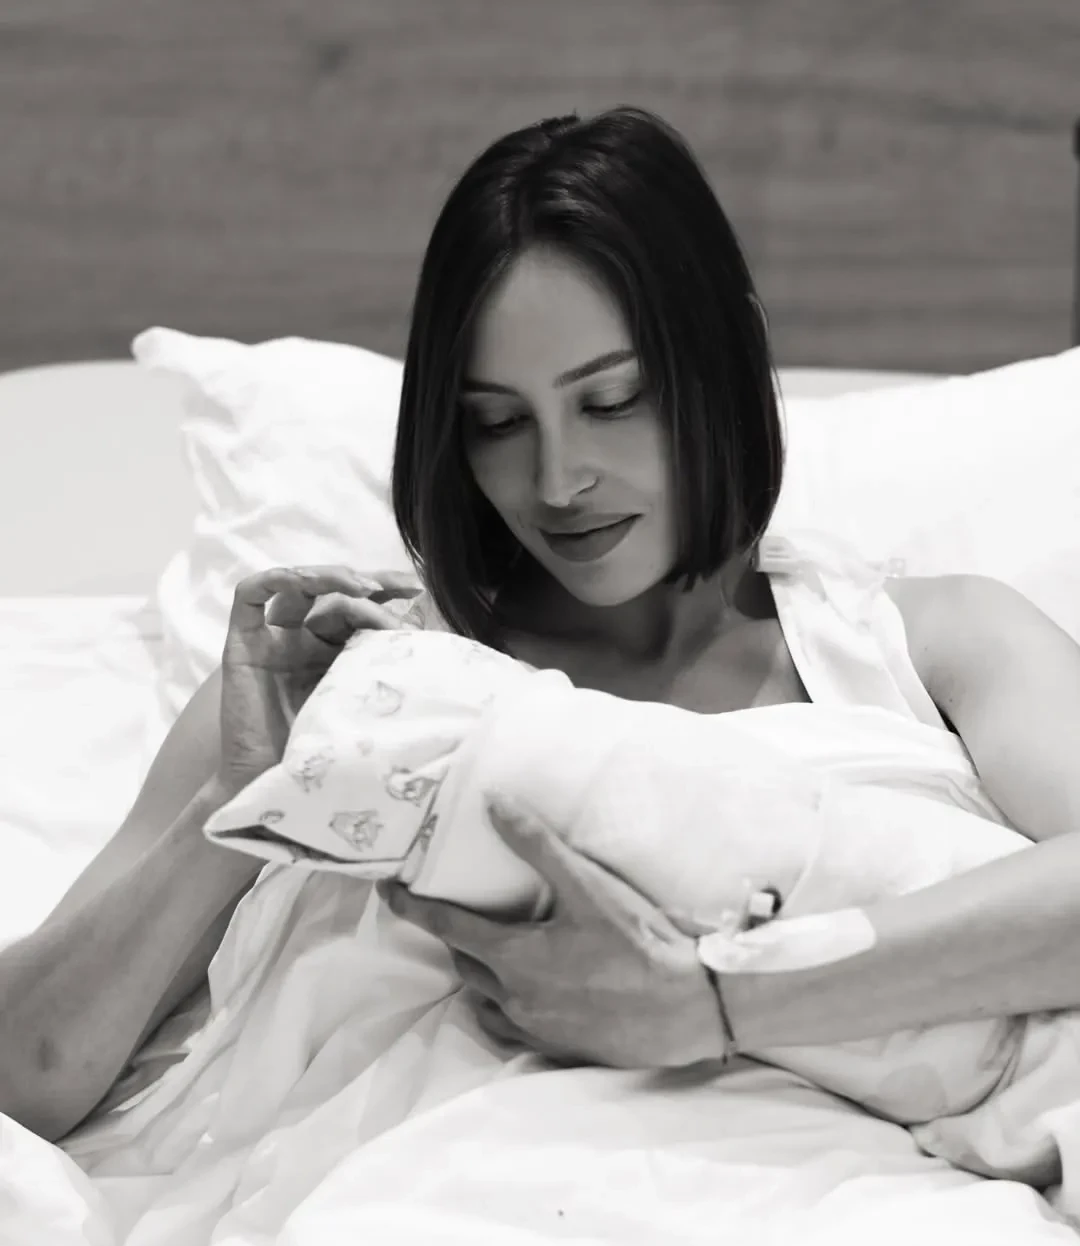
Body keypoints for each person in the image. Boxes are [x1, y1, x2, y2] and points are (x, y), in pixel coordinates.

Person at [4, 106, 1080, 1146]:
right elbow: (27, 1075)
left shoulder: (938, 646)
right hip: (430, 1206)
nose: (558, 481)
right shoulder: (351, 686)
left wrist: (714, 1002)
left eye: (611, 401)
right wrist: (230, 808)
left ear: (723, 361)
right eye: (497, 423)